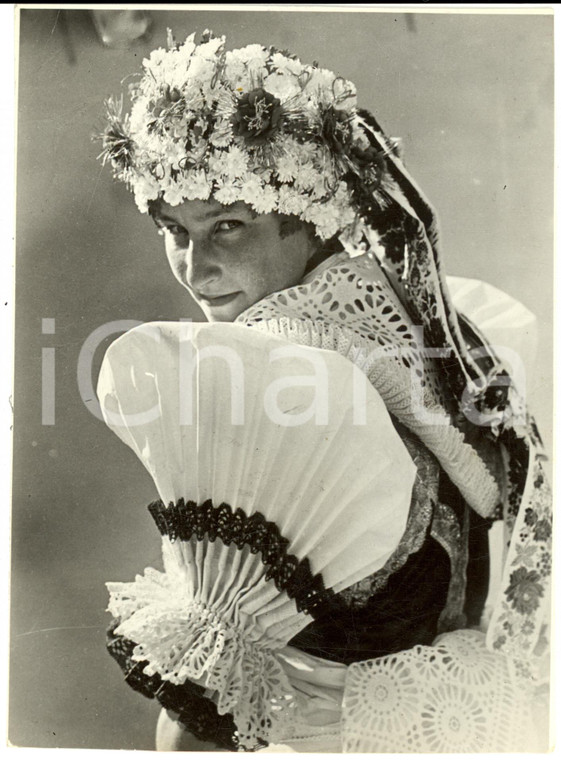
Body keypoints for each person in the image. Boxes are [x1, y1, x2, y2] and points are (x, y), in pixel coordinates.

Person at [96, 30, 551, 752]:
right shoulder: (428, 332)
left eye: (228, 227)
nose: (195, 266)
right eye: (172, 229)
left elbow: (193, 726)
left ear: (312, 223)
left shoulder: (275, 373)